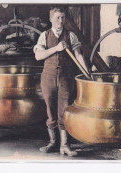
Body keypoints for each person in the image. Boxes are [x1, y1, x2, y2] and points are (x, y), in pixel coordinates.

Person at [34, 7, 88, 157]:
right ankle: (53, 142)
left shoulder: (71, 35)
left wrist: (87, 73)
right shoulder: (44, 35)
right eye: (57, 18)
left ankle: (65, 145)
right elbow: (38, 56)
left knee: (64, 110)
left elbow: (78, 55)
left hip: (66, 77)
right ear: (51, 19)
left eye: (63, 18)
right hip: (48, 77)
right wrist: (56, 49)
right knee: (50, 110)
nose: (61, 21)